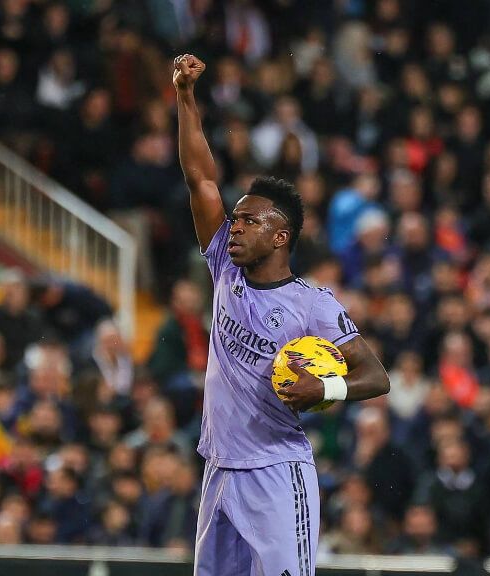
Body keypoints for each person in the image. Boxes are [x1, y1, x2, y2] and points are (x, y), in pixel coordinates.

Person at [173, 53, 390, 576]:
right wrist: (184, 97)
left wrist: (325, 391)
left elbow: (375, 376)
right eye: (237, 217)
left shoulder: (314, 305)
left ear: (281, 236)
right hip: (219, 469)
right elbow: (200, 177)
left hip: (276, 471)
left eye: (249, 220)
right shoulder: (224, 263)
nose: (236, 226)